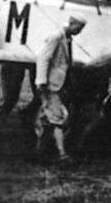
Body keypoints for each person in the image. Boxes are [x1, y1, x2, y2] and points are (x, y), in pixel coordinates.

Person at [34, 16, 87, 163]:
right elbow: (43, 58)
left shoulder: (67, 39)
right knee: (58, 119)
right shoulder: (56, 37)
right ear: (71, 24)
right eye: (78, 28)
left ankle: (39, 152)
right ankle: (62, 154)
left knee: (49, 119)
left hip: (58, 84)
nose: (79, 32)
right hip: (51, 85)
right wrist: (41, 82)